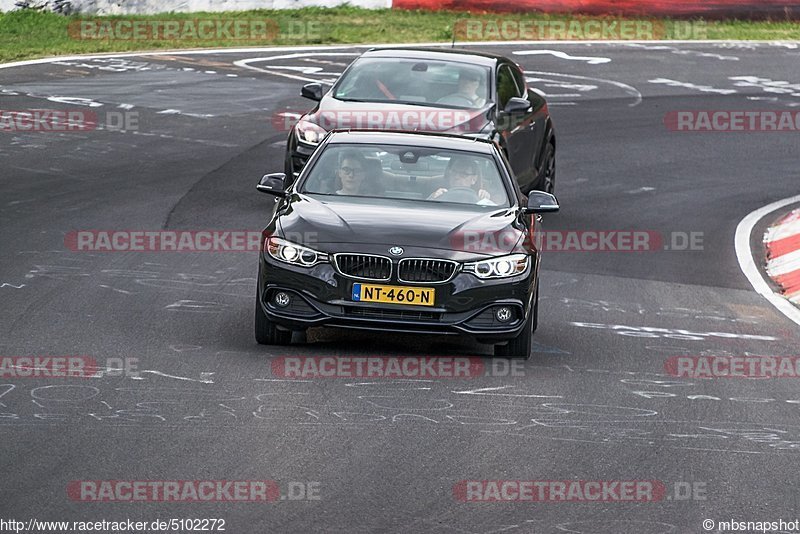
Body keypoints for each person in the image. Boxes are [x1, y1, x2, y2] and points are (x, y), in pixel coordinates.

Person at [428, 157, 492, 204]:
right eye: (454, 172)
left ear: (474, 179)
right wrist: (433, 197)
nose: (456, 177)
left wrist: (485, 201)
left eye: (463, 174)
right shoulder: (439, 194)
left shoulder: (481, 198)